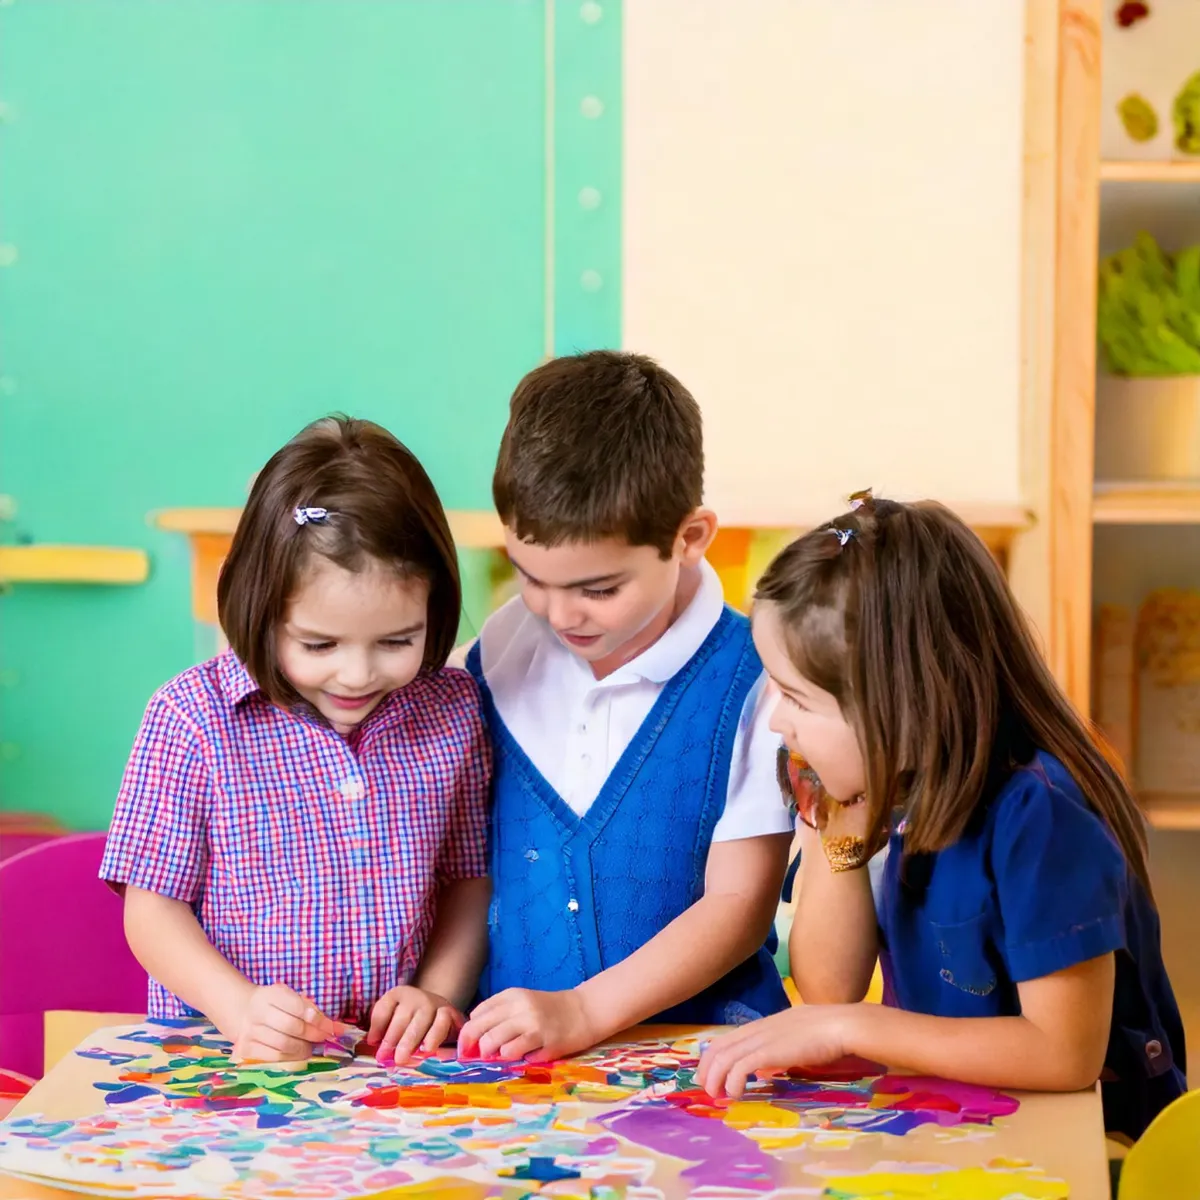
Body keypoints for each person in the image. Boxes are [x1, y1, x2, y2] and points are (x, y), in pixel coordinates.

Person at [697, 494, 1185, 1144]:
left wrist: (856, 1029)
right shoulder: (888, 778)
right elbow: (831, 986)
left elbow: (1065, 1054)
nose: (778, 721)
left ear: (900, 707)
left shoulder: (1040, 815)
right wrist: (831, 823)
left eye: (797, 699)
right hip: (960, 1123)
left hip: (1091, 1148)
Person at [101, 416, 491, 1065]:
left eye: (397, 640)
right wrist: (235, 1007)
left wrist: (436, 993)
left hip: (390, 1068)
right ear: (261, 607)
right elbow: (152, 910)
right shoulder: (189, 718)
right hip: (231, 1056)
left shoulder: (453, 712)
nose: (358, 673)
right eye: (318, 644)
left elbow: (467, 881)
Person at [455, 350, 794, 1063]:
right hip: (514, 1074)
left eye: (599, 589)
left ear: (690, 537)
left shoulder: (754, 681)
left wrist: (584, 1011)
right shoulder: (498, 654)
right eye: (529, 576)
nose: (556, 611)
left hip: (701, 1064)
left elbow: (738, 907)